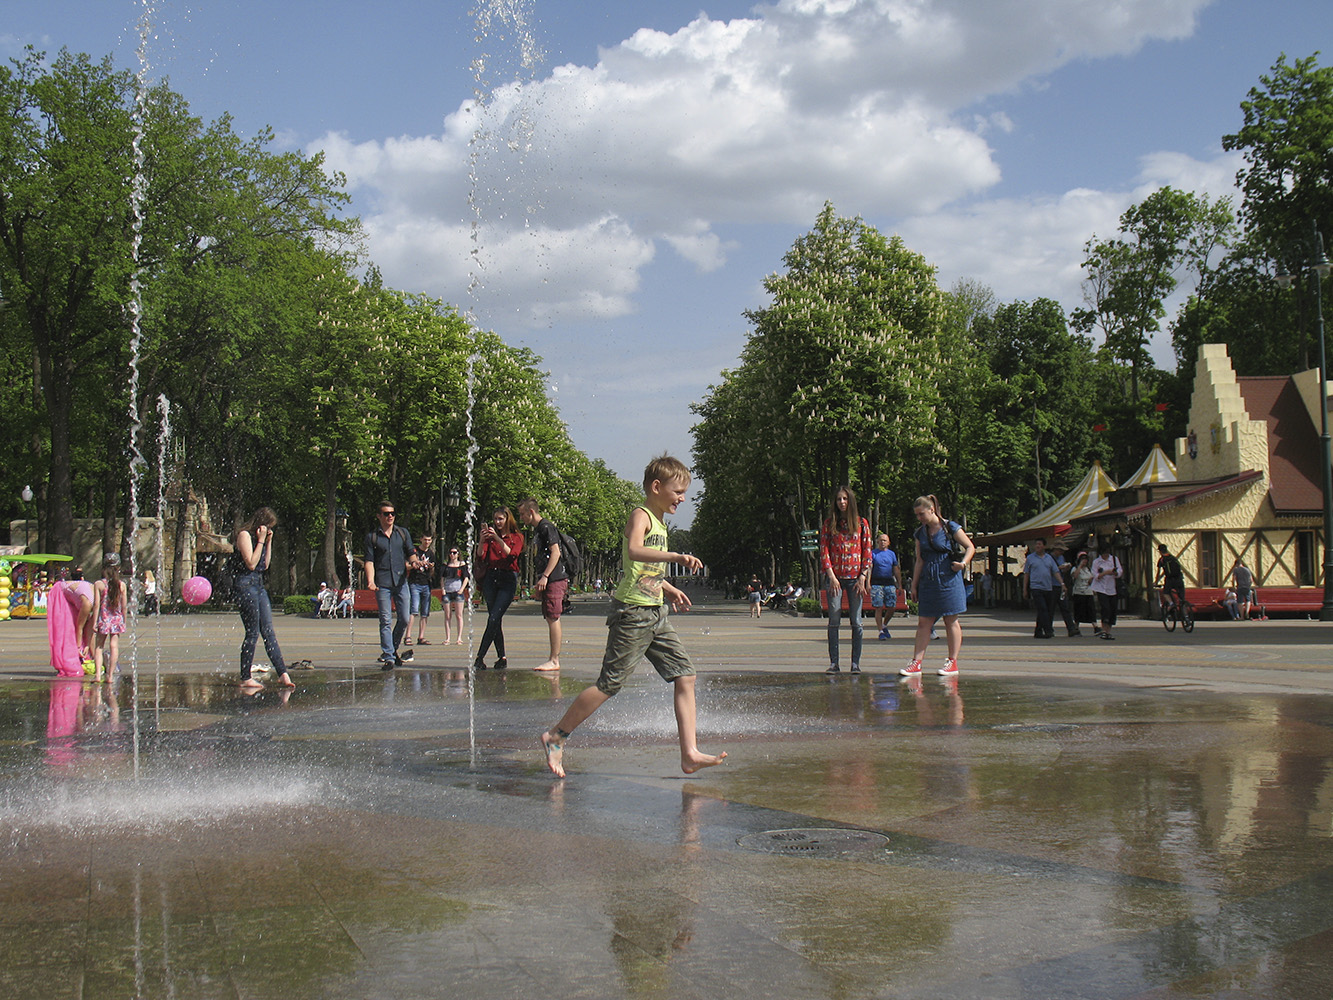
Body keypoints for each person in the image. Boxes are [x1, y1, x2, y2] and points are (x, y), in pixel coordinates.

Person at [539, 455, 726, 778]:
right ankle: (557, 735)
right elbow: (635, 551)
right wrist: (675, 556)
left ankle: (689, 753)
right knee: (609, 685)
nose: (682, 498)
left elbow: (644, 568)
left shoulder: (660, 521)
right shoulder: (641, 515)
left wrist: (667, 587)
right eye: (678, 491)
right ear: (657, 487)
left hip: (655, 613)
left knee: (686, 675)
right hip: (632, 613)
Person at [901, 495, 974, 677]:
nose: (920, 518)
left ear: (932, 510)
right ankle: (916, 662)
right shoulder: (920, 533)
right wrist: (914, 585)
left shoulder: (950, 527)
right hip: (929, 580)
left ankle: (952, 661)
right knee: (924, 622)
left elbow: (970, 547)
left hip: (949, 578)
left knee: (951, 619)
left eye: (922, 514)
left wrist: (963, 564)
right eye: (917, 515)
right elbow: (919, 560)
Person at [232, 507, 295, 691]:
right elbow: (251, 563)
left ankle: (283, 673)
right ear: (260, 524)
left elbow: (264, 565)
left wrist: (268, 543)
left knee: (268, 631)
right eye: (268, 526)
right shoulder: (244, 535)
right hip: (245, 585)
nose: (268, 530)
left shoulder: (262, 539)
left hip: (258, 586)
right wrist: (260, 540)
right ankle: (245, 677)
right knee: (252, 632)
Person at [819, 486, 872, 675]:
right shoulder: (829, 524)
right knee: (834, 619)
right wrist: (831, 576)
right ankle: (834, 663)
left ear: (850, 501)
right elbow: (824, 550)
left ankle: (855, 663)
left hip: (855, 579)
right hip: (836, 578)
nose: (842, 502)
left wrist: (863, 576)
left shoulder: (862, 523)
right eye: (839, 499)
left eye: (845, 499)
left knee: (856, 621)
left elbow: (867, 550)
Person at [364, 500, 418, 669]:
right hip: (382, 583)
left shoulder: (402, 533)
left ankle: (393, 649)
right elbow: (369, 561)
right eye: (386, 514)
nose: (390, 517)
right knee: (385, 620)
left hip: (401, 581)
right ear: (379, 516)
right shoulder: (372, 537)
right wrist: (371, 581)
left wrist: (415, 563)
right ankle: (388, 657)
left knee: (403, 618)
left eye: (392, 513)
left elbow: (411, 553)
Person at [518, 498, 570, 672]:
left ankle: (554, 660)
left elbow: (556, 553)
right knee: (550, 616)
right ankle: (553, 659)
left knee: (553, 617)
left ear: (531, 512)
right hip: (551, 578)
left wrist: (545, 576)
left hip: (555, 578)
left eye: (522, 514)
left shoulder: (546, 527)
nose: (521, 518)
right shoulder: (540, 529)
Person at [473, 507, 524, 670]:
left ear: (508, 519)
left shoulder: (517, 536)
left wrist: (498, 539)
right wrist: (482, 540)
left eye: (501, 519)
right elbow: (481, 555)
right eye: (495, 519)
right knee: (495, 620)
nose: (497, 522)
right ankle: (502, 657)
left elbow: (512, 554)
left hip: (508, 579)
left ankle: (479, 657)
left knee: (493, 618)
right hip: (491, 578)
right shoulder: (490, 537)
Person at [46, 577, 95, 678]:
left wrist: (88, 646)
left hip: (75, 597)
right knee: (67, 632)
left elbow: (91, 628)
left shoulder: (98, 602)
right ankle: (70, 660)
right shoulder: (88, 603)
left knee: (80, 630)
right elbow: (80, 628)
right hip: (61, 593)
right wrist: (77, 648)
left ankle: (87, 657)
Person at [91, 553, 127, 681]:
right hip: (116, 619)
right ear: (118, 568)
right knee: (114, 646)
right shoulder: (121, 585)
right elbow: (124, 606)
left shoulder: (99, 584)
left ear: (104, 568)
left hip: (104, 619)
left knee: (99, 647)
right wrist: (124, 621)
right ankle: (110, 676)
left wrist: (94, 622)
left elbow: (96, 605)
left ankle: (97, 675)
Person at [1023, 538, 1066, 639]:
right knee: (1042, 608)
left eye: (1039, 544)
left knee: (1045, 610)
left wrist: (1062, 584)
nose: (1037, 546)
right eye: (1036, 544)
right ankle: (1048, 630)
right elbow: (1026, 574)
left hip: (1047, 587)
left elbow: (1055, 572)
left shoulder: (1049, 558)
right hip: (1036, 587)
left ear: (1044, 546)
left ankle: (1038, 631)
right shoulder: (1030, 558)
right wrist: (1025, 589)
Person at [870, 532, 902, 640]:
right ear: (877, 542)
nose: (882, 542)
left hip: (889, 582)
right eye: (880, 540)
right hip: (876, 583)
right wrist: (867, 583)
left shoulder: (891, 554)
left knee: (892, 607)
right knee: (878, 607)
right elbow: (869, 568)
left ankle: (884, 625)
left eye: (884, 540)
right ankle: (880, 631)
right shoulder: (873, 553)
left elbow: (896, 569)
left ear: (888, 543)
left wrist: (900, 584)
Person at [406, 533, 437, 646]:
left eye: (429, 540)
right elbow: (406, 565)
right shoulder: (414, 552)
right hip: (415, 583)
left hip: (426, 584)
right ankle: (408, 636)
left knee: (425, 612)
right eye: (425, 540)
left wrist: (430, 567)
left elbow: (432, 571)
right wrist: (416, 565)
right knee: (413, 610)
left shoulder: (431, 554)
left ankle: (421, 637)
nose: (427, 542)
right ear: (421, 540)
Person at [1090, 544, 1122, 640]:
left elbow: (1120, 571)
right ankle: (1104, 630)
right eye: (1104, 554)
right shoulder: (1097, 562)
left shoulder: (1114, 559)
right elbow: (1095, 575)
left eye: (1107, 554)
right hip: (1101, 588)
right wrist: (1105, 573)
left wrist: (1116, 573)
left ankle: (1108, 631)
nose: (1106, 556)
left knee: (1112, 609)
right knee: (1105, 608)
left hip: (1112, 588)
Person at [1154, 543, 1186, 614]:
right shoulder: (1173, 558)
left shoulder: (1162, 560)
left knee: (1165, 593)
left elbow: (1158, 573)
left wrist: (1156, 582)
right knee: (1182, 600)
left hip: (1170, 580)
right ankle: (1186, 617)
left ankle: (1171, 604)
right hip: (1179, 578)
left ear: (1160, 551)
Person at [1070, 552, 1096, 629]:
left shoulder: (1088, 569)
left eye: (1085, 560)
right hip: (1078, 591)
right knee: (1078, 610)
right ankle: (1076, 626)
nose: (1084, 561)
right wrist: (1080, 566)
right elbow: (1075, 576)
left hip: (1088, 592)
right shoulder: (1075, 568)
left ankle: (1095, 626)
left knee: (1091, 609)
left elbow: (1090, 579)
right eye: (1082, 559)